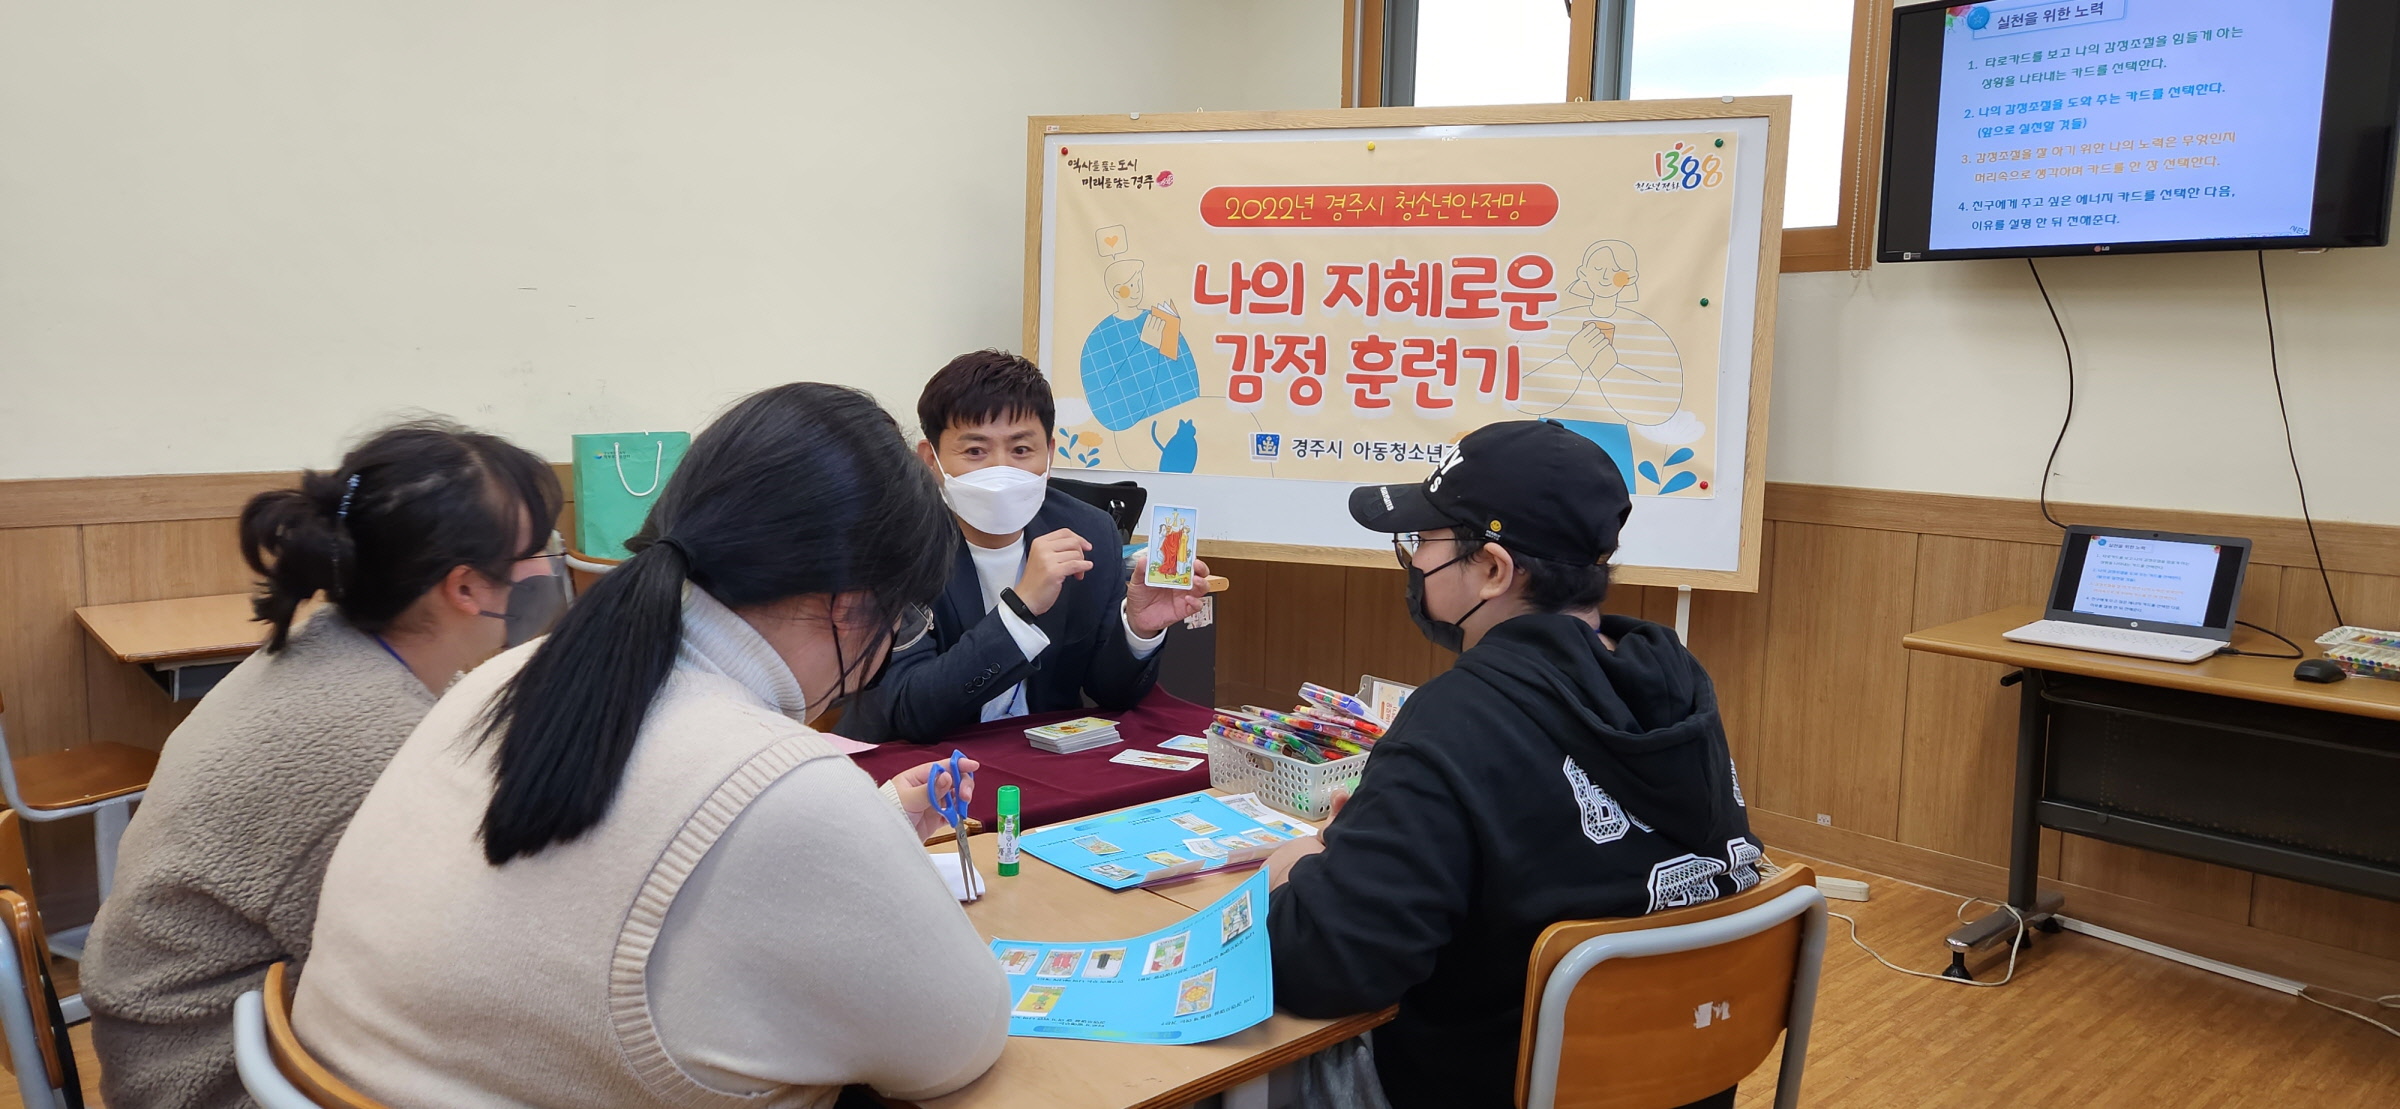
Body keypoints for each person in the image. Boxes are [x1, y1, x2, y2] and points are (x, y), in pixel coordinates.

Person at [295, 383, 1010, 1107]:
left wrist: (867, 825)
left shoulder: (504, 678)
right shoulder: (781, 779)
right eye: (904, 619)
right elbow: (960, 1040)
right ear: (854, 604)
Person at [1261, 419, 1758, 1109]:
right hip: (1679, 1085)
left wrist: (1293, 871)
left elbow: (1324, 963)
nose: (1413, 560)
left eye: (1423, 541)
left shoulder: (1455, 721)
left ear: (1493, 569)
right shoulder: (1679, 690)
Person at [80, 421, 566, 1109]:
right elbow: (440, 976)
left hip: (177, 1027)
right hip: (209, 1074)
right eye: (536, 550)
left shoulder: (332, 645)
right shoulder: (370, 740)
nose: (547, 570)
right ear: (463, 588)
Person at [841, 349, 1208, 743]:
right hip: (919, 765)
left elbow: (1111, 695)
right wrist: (1019, 610)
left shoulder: (1088, 530)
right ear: (931, 461)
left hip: (1038, 760)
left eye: (1020, 450)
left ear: (1049, 455)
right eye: (975, 451)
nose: (1001, 470)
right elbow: (910, 711)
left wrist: (1137, 629)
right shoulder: (895, 546)